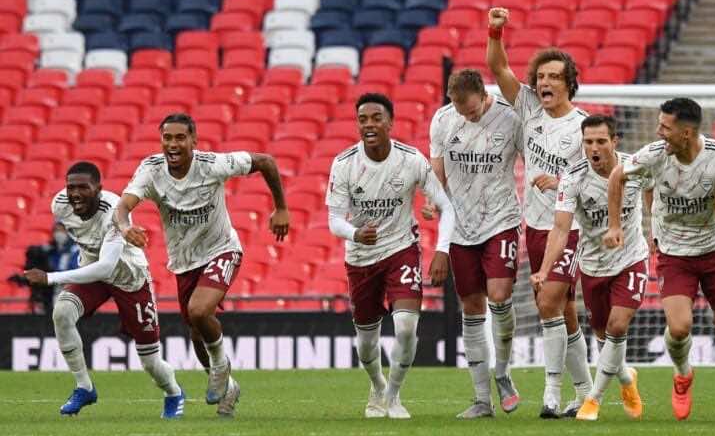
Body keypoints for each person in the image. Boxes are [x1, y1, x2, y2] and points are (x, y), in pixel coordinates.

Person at [115, 113, 290, 418]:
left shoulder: (213, 165)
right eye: (167, 138)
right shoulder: (152, 169)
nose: (173, 144)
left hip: (222, 250)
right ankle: (229, 386)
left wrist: (281, 208)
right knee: (197, 334)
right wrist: (124, 226)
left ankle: (221, 367)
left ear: (193, 141)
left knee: (198, 311)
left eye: (180, 137)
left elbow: (266, 161)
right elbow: (123, 206)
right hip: (184, 263)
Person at [604, 98, 715, 423]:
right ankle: (682, 374)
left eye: (665, 127)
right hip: (674, 254)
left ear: (686, 133)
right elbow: (617, 175)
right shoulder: (655, 155)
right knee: (679, 328)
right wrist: (615, 225)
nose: (658, 132)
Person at [486, 6, 593, 418]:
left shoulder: (583, 127)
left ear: (569, 84)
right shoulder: (529, 107)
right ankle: (585, 391)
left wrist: (562, 181)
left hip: (569, 228)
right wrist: (495, 32)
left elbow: (598, 178)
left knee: (547, 303)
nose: (545, 83)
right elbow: (498, 68)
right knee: (563, 310)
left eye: (554, 77)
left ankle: (550, 394)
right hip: (534, 225)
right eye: (541, 76)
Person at [327, 93, 455, 419]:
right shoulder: (344, 164)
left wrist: (442, 250)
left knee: (407, 327)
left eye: (376, 118)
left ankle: (394, 395)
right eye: (362, 120)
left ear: (390, 123)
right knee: (366, 343)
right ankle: (377, 385)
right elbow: (334, 220)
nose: (369, 125)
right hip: (361, 257)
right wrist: (355, 233)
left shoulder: (411, 160)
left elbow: (445, 205)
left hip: (401, 249)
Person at [23, 162, 184, 418]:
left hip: (129, 279)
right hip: (92, 274)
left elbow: (106, 267)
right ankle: (84, 387)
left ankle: (173, 392)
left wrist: (50, 277)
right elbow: (95, 265)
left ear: (98, 189)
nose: (75, 194)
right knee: (62, 313)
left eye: (83, 188)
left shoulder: (115, 212)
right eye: (71, 187)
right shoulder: (60, 205)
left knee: (150, 361)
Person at [531, 115, 647, 422]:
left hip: (631, 258)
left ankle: (592, 400)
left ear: (614, 142)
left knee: (617, 326)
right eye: (588, 142)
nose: (594, 148)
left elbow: (656, 192)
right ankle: (626, 378)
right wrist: (544, 269)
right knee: (603, 336)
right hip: (594, 265)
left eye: (601, 141)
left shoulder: (636, 167)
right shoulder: (573, 177)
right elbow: (560, 228)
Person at [428, 69, 523, 418]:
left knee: (499, 294)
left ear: (484, 95)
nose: (466, 116)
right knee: (471, 306)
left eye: (471, 110)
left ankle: (503, 372)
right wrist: (433, 200)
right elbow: (436, 169)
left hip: (501, 219)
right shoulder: (443, 119)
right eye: (460, 110)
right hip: (460, 225)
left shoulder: (510, 118)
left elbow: (532, 160)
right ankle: (482, 399)